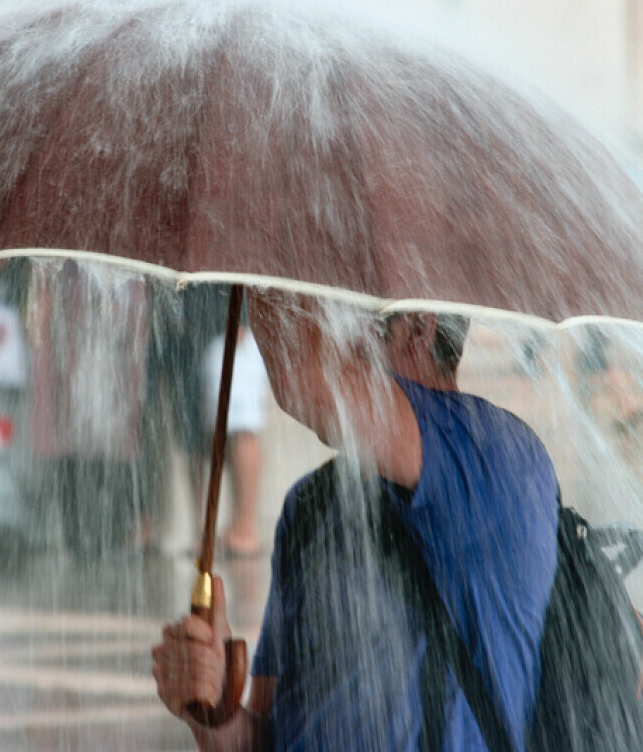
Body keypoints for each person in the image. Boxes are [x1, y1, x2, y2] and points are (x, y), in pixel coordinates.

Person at [152, 290, 561, 751]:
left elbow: (299, 374)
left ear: (417, 328)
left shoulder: (499, 457)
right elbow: (265, 740)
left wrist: (251, 263)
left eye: (339, 313)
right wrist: (214, 712)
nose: (325, 331)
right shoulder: (311, 504)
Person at [199, 320, 270, 558]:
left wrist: (242, 320)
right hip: (206, 330)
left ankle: (245, 529)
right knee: (223, 429)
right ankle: (235, 527)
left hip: (234, 329)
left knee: (242, 425)